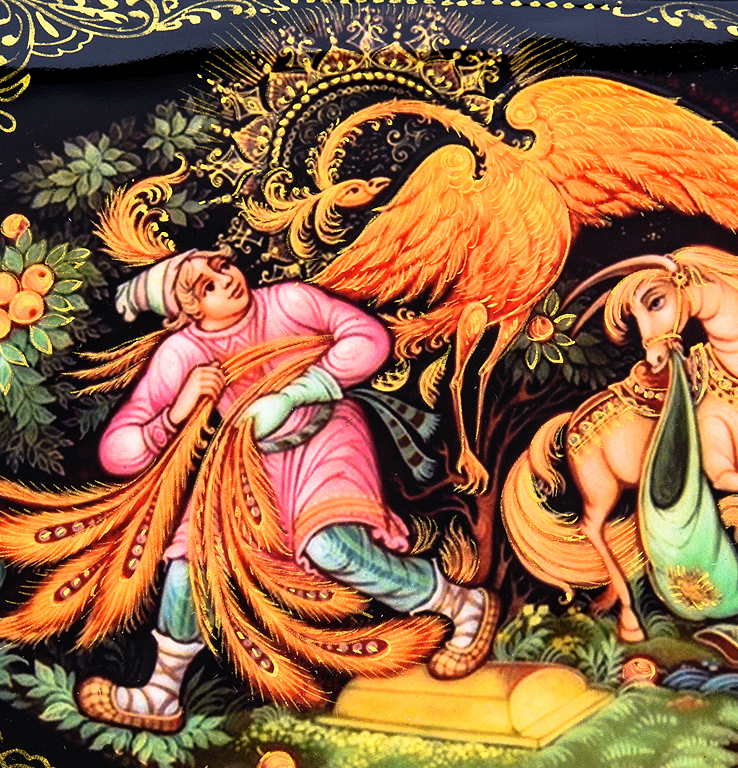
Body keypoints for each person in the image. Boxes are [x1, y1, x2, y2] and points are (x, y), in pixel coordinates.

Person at [74, 251, 498, 732]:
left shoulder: (288, 301)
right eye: (206, 286)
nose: (225, 280)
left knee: (330, 546)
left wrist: (297, 392)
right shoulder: (181, 354)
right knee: (191, 560)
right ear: (187, 310)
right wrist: (176, 413)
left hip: (324, 431)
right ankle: (161, 693)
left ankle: (460, 604)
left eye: (220, 266)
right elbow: (117, 452)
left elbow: (370, 338)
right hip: (247, 463)